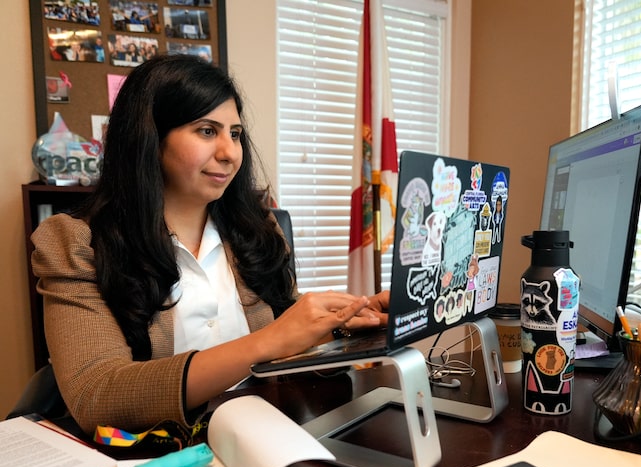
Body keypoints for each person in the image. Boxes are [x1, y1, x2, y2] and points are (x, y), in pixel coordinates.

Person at [31, 55, 389, 436]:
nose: (230, 153)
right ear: (150, 137)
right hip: (161, 459)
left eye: (234, 134)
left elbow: (289, 338)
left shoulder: (257, 229)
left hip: (267, 435)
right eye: (206, 131)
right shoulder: (74, 242)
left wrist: (344, 326)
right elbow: (97, 395)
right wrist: (267, 342)